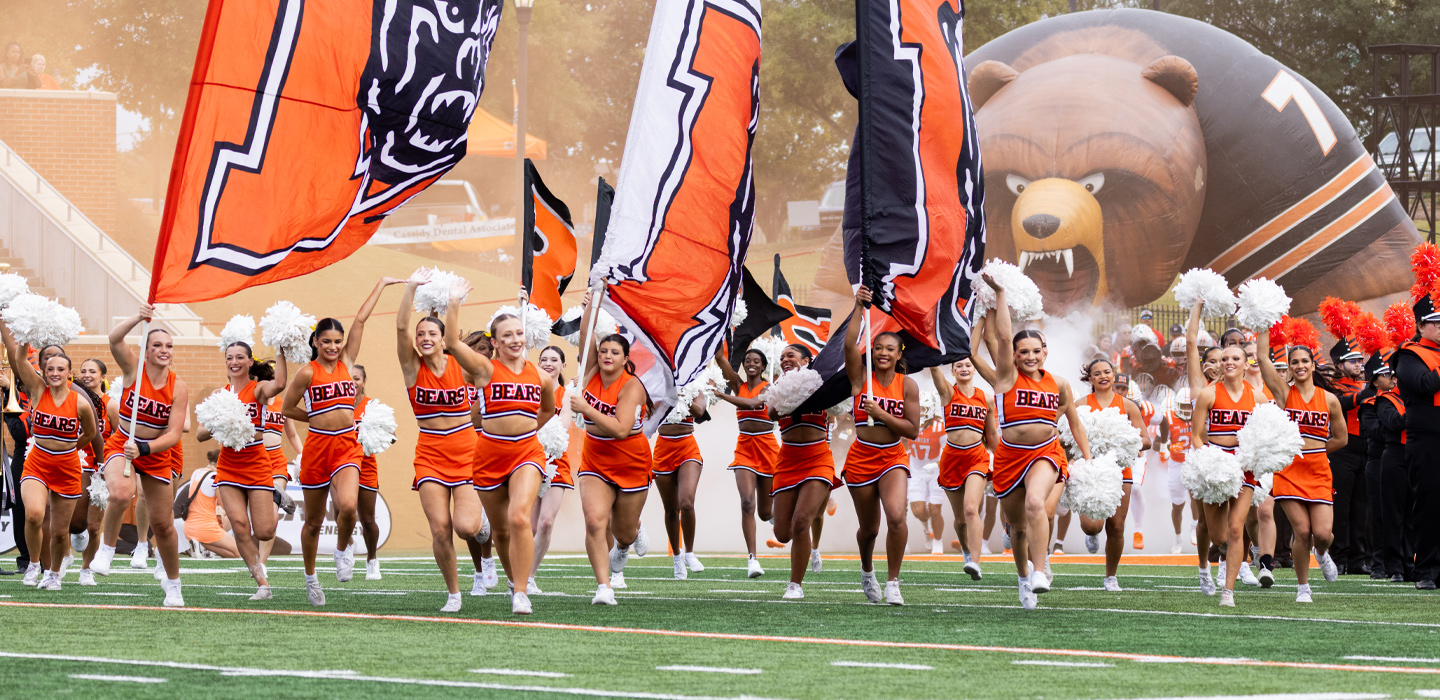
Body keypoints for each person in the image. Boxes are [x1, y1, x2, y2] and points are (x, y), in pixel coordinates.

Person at [445, 282, 555, 615]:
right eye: (506, 335)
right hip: (489, 455)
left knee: (519, 516)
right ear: (495, 342)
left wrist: (526, 432)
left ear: (526, 336)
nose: (514, 339)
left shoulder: (541, 377)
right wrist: (453, 302)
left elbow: (547, 410)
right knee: (501, 531)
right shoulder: (485, 369)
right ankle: (512, 580)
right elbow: (450, 343)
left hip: (526, 454)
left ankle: (520, 592)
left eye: (518, 333)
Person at [983, 276, 1091, 611]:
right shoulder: (1007, 378)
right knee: (1016, 528)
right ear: (1014, 356)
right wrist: (999, 296)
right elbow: (999, 335)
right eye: (1023, 352)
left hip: (1045, 453)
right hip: (1010, 456)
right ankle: (1023, 578)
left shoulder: (1058, 383)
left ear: (1046, 352)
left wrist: (1087, 460)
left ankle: (1041, 569)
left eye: (1036, 351)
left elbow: (1075, 423)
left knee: (1036, 505)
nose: (1030, 356)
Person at [283, 280, 389, 606]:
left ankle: (343, 551)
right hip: (317, 447)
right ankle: (311, 578)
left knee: (348, 507)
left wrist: (382, 284)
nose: (332, 346)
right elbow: (287, 408)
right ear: (315, 341)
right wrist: (314, 417)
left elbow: (360, 319)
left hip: (346, 445)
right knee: (313, 522)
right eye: (326, 341)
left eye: (337, 342)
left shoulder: (348, 363)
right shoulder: (306, 373)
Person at [394, 272, 486, 612]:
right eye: (421, 334)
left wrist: (453, 301)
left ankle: (482, 524)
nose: (424, 338)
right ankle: (454, 593)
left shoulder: (460, 365)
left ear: (444, 337)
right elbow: (401, 328)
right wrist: (410, 288)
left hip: (466, 453)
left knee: (466, 527)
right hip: (430, 454)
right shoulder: (411, 368)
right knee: (440, 528)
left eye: (432, 333)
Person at [89, 307, 189, 607]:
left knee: (163, 526)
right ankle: (106, 550)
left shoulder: (178, 387)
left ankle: (173, 585)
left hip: (156, 454)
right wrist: (137, 317)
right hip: (122, 444)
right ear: (145, 350)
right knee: (121, 493)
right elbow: (114, 338)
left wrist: (145, 449)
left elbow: (173, 434)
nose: (164, 350)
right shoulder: (133, 369)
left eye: (169, 346)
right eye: (157, 345)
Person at [840, 286, 921, 605]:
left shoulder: (908, 385)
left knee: (897, 516)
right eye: (878, 348)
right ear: (872, 353)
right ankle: (867, 570)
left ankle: (893, 582)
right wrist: (858, 307)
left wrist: (881, 414)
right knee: (870, 529)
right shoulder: (861, 378)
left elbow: (912, 431)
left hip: (892, 458)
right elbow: (849, 346)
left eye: (890, 348)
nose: (884, 353)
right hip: (861, 458)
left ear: (900, 353)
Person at [0, 327, 97, 590]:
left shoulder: (79, 402)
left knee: (59, 531)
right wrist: (24, 333)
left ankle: (53, 573)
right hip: (38, 461)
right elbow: (20, 361)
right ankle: (33, 564)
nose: (54, 373)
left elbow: (91, 432)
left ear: (69, 373)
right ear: (44, 371)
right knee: (33, 515)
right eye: (50, 369)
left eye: (60, 369)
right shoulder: (37, 389)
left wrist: (70, 448)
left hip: (66, 466)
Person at [570, 296, 652, 606]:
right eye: (603, 350)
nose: (606, 355)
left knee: (624, 532)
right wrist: (592, 305)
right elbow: (585, 333)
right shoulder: (590, 370)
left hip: (631, 460)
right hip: (596, 459)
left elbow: (619, 429)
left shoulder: (632, 386)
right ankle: (604, 587)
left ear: (625, 358)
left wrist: (587, 409)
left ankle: (625, 544)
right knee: (594, 521)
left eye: (614, 352)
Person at [196, 338, 288, 600]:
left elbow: (279, 384)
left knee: (264, 531)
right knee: (238, 525)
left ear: (250, 362)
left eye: (240, 357)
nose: (234, 362)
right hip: (228, 465)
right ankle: (262, 583)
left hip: (257, 463)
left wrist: (281, 350)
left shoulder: (257, 389)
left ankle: (275, 498)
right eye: (229, 357)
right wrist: (221, 422)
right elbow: (201, 435)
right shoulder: (219, 395)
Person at [1257, 334, 1346, 601]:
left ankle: (1321, 553)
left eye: (1304, 361)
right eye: (1294, 362)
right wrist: (1263, 324)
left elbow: (1342, 438)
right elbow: (1262, 358)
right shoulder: (1285, 393)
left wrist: (1316, 451)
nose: (1299, 366)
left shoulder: (1329, 399)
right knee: (1303, 531)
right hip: (1289, 469)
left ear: (1313, 365)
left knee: (1322, 534)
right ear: (1289, 367)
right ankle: (1303, 587)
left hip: (1318, 469)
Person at [1191, 334, 1259, 606]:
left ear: (1246, 363)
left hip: (1244, 467)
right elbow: (1196, 435)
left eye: (1235, 358)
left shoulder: (1258, 397)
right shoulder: (1208, 394)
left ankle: (1228, 591)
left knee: (1235, 528)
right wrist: (1208, 461)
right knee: (1218, 536)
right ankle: (1210, 563)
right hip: (1216, 465)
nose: (1228, 362)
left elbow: (1267, 434)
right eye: (1224, 359)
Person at [767, 343, 837, 598]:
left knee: (800, 523)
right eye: (782, 357)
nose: (785, 359)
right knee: (782, 533)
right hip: (787, 460)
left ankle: (795, 585)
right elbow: (772, 413)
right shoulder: (779, 385)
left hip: (817, 457)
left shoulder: (821, 382)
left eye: (791, 356)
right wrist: (788, 390)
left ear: (806, 360)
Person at [1076, 360, 1150, 591]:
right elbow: (1066, 435)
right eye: (1096, 374)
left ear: (1114, 374)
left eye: (1107, 372)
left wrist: (1132, 444)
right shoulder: (1080, 405)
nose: (1103, 376)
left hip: (1120, 470)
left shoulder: (1128, 406)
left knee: (1116, 527)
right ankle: (1091, 533)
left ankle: (1110, 576)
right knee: (1092, 527)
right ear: (1090, 379)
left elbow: (1146, 439)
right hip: (1090, 470)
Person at [1389, 297, 1440, 590]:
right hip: (1426, 439)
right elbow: (1423, 384)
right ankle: (1426, 569)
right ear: (1421, 326)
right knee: (1429, 502)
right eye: (1435, 322)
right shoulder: (1408, 355)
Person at [930, 355, 995, 581]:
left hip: (977, 456)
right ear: (953, 372)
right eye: (959, 366)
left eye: (968, 365)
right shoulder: (948, 393)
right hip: (952, 458)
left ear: (975, 369)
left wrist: (1006, 459)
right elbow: (935, 370)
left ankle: (976, 562)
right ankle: (967, 552)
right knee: (960, 518)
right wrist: (931, 350)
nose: (964, 368)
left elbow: (992, 434)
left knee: (971, 510)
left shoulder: (986, 399)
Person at [715, 346, 778, 578]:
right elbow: (721, 359)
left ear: (763, 366)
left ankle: (772, 517)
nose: (751, 364)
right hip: (744, 449)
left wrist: (722, 396)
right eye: (747, 361)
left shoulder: (770, 388)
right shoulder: (737, 384)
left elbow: (751, 404)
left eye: (756, 361)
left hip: (767, 448)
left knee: (763, 512)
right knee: (747, 504)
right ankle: (752, 559)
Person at [530, 345, 581, 593]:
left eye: (554, 360)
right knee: (527, 527)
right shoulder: (529, 390)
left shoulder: (566, 394)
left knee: (546, 523)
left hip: (556, 463)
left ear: (563, 365)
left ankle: (528, 576)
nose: (548, 363)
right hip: (528, 460)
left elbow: (563, 424)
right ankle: (518, 573)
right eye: (543, 360)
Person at [651, 371, 707, 580]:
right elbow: (648, 412)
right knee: (671, 509)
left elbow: (700, 411)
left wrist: (680, 394)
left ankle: (690, 553)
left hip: (687, 447)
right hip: (663, 447)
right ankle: (677, 556)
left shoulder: (694, 386)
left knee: (686, 502)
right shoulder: (655, 385)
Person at [1361, 355, 1409, 581]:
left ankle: (1406, 562)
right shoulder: (1372, 404)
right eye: (1385, 374)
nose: (1391, 378)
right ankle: (1379, 563)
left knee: (1406, 513)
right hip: (1380, 459)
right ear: (1373, 382)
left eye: (1393, 374)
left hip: (1401, 456)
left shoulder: (1403, 399)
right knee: (1381, 513)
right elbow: (1380, 432)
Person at [1327, 337, 1369, 574]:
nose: (1358, 364)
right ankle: (1339, 557)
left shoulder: (1364, 385)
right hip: (1343, 449)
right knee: (1341, 506)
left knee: (1361, 506)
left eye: (1360, 360)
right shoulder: (1331, 386)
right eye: (1352, 360)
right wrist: (1362, 395)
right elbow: (1339, 404)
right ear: (1339, 365)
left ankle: (1357, 558)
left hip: (1365, 446)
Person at [71, 358, 111, 584]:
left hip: (101, 467)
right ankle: (76, 535)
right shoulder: (72, 400)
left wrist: (110, 465)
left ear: (103, 377)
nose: (87, 375)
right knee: (75, 521)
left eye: (92, 371)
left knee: (95, 526)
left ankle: (86, 570)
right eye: (83, 371)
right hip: (76, 463)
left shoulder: (110, 403)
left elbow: (117, 435)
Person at [350, 366, 384, 580]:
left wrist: (378, 438)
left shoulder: (371, 406)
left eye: (357, 378)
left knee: (368, 519)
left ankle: (372, 559)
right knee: (343, 511)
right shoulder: (337, 404)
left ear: (363, 381)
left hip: (366, 466)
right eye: (349, 378)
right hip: (342, 464)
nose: (353, 382)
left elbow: (389, 434)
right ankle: (346, 545)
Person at [181, 457, 239, 559]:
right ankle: (202, 545)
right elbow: (223, 504)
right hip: (206, 527)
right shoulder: (215, 477)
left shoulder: (196, 472)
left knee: (233, 554)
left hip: (189, 527)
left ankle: (201, 546)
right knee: (239, 552)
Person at [906, 416, 946, 556]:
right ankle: (927, 529)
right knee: (918, 511)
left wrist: (936, 465)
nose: (920, 412)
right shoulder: (909, 422)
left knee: (935, 509)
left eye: (924, 409)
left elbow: (949, 452)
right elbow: (901, 440)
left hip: (935, 470)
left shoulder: (939, 427)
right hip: (916, 470)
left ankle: (938, 541)